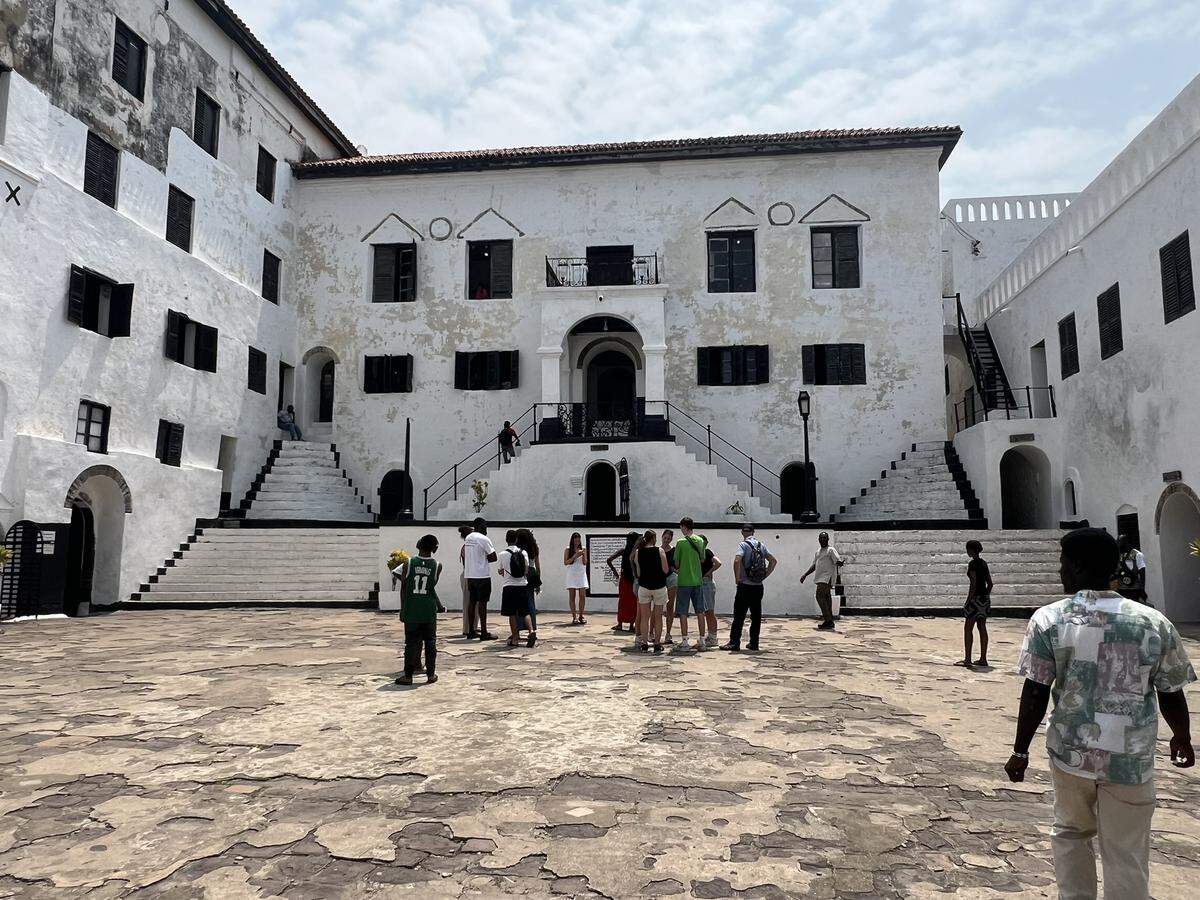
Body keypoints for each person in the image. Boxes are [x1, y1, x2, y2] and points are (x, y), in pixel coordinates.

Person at [1005, 527, 1195, 900]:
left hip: (1071, 753)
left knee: (1071, 834)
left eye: (1061, 563)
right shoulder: (1151, 621)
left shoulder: (1049, 619)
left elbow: (1036, 691)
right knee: (1126, 849)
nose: (1059, 572)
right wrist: (1182, 736)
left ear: (1076, 566)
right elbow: (1171, 690)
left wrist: (1021, 750)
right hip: (1130, 758)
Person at [395, 534, 445, 685]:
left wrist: (403, 608)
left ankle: (408, 676)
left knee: (410, 643)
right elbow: (430, 588)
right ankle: (430, 674)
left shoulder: (408, 563)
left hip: (412, 608)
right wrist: (439, 605)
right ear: (435, 548)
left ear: (419, 545)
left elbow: (403, 588)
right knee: (430, 642)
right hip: (428, 610)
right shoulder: (437, 566)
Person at [723, 524, 777, 652]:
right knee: (756, 616)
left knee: (739, 616)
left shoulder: (743, 545)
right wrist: (765, 575)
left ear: (742, 532)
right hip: (758, 586)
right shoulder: (761, 545)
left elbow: (737, 561)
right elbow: (773, 561)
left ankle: (734, 643)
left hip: (744, 585)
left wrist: (737, 578)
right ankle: (754, 643)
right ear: (754, 532)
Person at [671, 518, 708, 653]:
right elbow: (703, 559)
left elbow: (676, 563)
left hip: (684, 581)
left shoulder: (681, 542)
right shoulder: (700, 541)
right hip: (697, 580)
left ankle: (685, 641)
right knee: (700, 611)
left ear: (683, 527)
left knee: (683, 612)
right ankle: (702, 640)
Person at [957, 539, 994, 668]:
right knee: (982, 627)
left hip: (975, 599)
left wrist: (968, 601)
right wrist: (986, 596)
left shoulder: (972, 564)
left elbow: (973, 584)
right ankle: (983, 658)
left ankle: (968, 659)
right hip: (984, 598)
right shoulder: (984, 564)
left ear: (972, 550)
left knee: (968, 628)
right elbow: (990, 583)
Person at [632, 529, 669, 652]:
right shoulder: (660, 550)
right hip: (659, 586)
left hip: (644, 586)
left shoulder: (638, 552)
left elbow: (638, 572)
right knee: (658, 617)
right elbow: (665, 570)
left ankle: (644, 643)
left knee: (644, 617)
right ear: (653, 539)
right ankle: (657, 643)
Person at [462, 517, 498, 641]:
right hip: (482, 575)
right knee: (482, 603)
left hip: (470, 575)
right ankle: (483, 631)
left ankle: (471, 631)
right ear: (481, 526)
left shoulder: (468, 538)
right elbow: (494, 557)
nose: (486, 529)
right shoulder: (484, 539)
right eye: (485, 527)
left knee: (472, 602)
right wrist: (484, 558)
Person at [499, 530, 536, 647]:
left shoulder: (502, 554)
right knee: (525, 611)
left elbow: (501, 571)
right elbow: (526, 570)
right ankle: (531, 631)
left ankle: (515, 638)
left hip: (508, 586)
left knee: (512, 613)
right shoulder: (523, 552)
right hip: (522, 585)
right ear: (516, 540)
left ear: (506, 540)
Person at [800, 532, 844, 629]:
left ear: (828, 539)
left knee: (819, 595)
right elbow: (814, 565)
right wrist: (805, 574)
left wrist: (840, 563)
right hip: (820, 577)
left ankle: (827, 619)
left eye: (824, 538)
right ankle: (830, 621)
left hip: (827, 577)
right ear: (818, 540)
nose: (822, 540)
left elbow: (837, 560)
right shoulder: (818, 551)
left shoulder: (831, 550)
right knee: (827, 598)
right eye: (821, 538)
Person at [606, 532, 639, 633]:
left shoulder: (623, 551)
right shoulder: (636, 552)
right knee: (633, 602)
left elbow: (609, 560)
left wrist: (615, 571)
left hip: (624, 578)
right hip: (633, 578)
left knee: (623, 601)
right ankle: (631, 625)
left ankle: (620, 624)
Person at [699, 535, 723, 649]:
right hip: (701, 583)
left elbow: (718, 563)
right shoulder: (697, 554)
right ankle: (710, 636)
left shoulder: (707, 552)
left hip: (707, 583)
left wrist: (709, 572)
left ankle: (713, 637)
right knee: (705, 611)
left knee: (709, 611)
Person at [515, 528, 541, 633]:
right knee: (530, 601)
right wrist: (538, 581)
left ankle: (520, 625)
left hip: (522, 572)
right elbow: (538, 566)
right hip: (532, 572)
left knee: (519, 601)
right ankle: (532, 626)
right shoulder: (534, 548)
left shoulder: (518, 549)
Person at [564, 532, 589, 625]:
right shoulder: (568, 549)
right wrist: (575, 556)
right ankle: (574, 616)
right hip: (572, 573)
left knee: (582, 596)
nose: (577, 542)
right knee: (572, 596)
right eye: (575, 540)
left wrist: (583, 555)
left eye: (578, 540)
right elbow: (566, 562)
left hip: (581, 573)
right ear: (572, 540)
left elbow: (585, 563)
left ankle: (581, 615)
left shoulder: (583, 548)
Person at [1115, 534, 1148, 603]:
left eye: (1120, 542)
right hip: (1121, 589)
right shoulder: (1120, 555)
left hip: (1134, 589)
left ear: (1126, 542)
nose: (1118, 544)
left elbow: (1142, 573)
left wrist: (1142, 589)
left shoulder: (1137, 554)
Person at [457, 524, 476, 637]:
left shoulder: (468, 546)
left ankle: (473, 627)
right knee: (468, 602)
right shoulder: (467, 547)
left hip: (470, 575)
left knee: (474, 603)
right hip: (468, 575)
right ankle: (467, 628)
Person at [661, 528, 677, 644]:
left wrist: (675, 570)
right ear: (662, 537)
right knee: (658, 606)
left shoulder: (674, 550)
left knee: (670, 606)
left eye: (669, 538)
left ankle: (668, 633)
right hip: (659, 579)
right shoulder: (658, 550)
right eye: (665, 538)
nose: (666, 540)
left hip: (671, 578)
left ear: (671, 539)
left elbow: (677, 564)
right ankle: (653, 632)